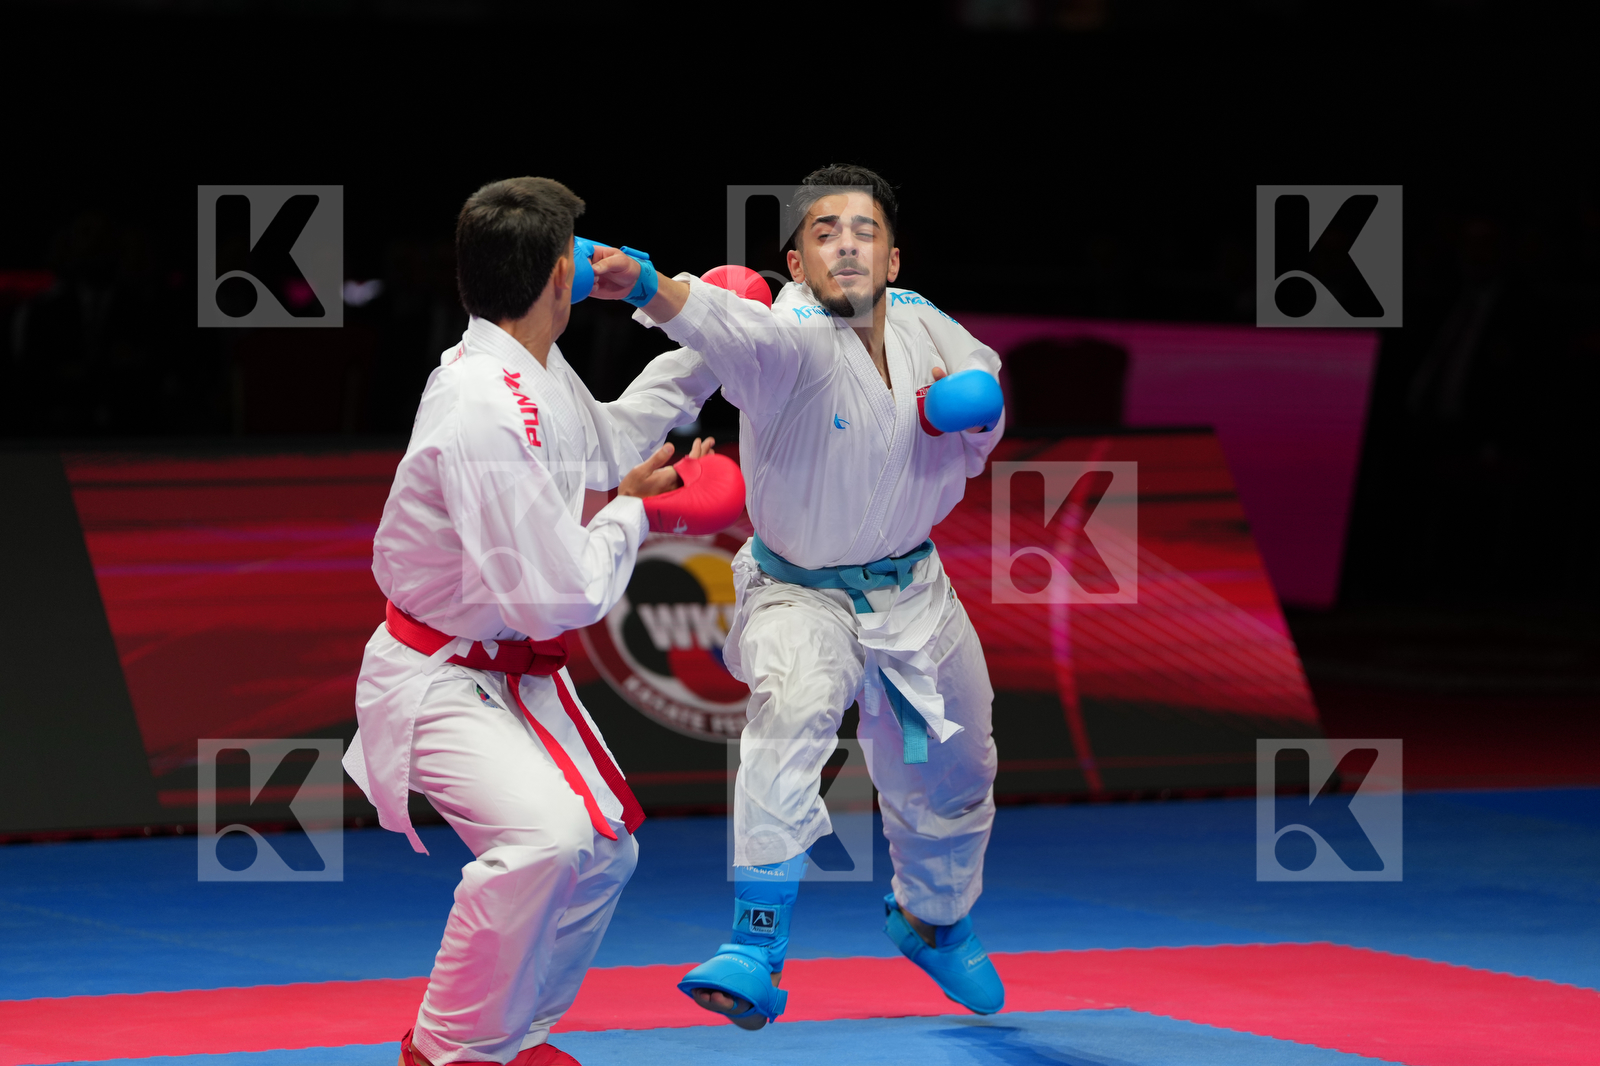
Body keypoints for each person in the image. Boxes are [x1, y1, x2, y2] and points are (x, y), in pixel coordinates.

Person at [590, 164, 1007, 1028]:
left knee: (952, 778)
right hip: (798, 596)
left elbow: (985, 385)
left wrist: (971, 410)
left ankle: (933, 920)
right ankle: (753, 945)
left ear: (894, 259)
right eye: (824, 233)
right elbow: (716, 321)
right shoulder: (781, 336)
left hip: (915, 601)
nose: (846, 245)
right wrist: (639, 279)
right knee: (791, 719)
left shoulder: (933, 323)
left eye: (863, 232)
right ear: (795, 262)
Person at [342, 177, 720, 1066]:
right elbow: (558, 596)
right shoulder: (482, 405)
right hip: (435, 673)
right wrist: (642, 514)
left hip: (505, 667)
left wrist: (702, 338)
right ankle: (446, 1051)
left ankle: (514, 1042)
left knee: (601, 855)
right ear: (563, 274)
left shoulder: (532, 368)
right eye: (582, 258)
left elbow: (614, 443)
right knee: (543, 842)